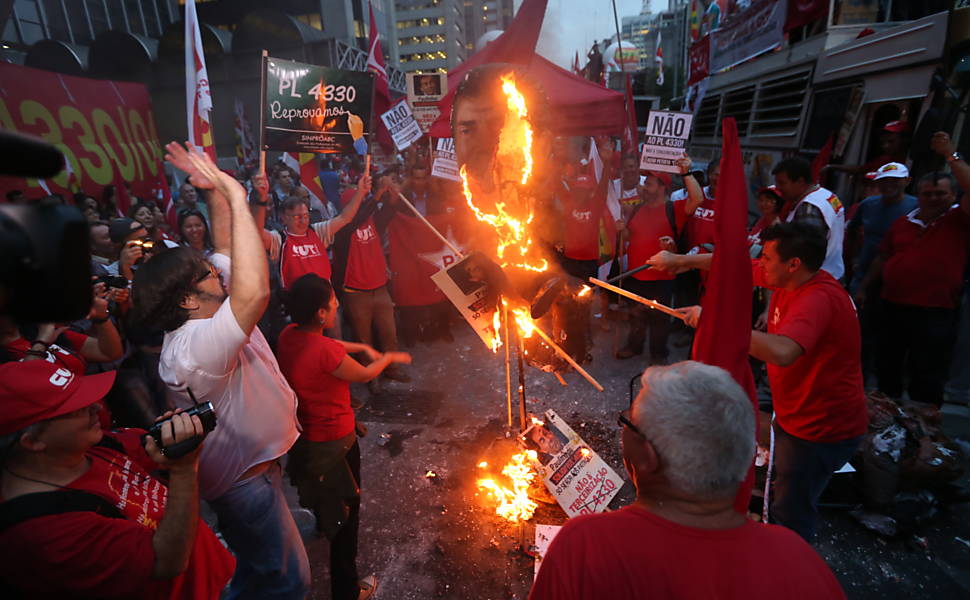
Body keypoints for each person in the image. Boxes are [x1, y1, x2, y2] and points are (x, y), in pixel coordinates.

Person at [132, 142, 310, 598]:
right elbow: (256, 294)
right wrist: (234, 191)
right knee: (289, 582)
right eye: (206, 272)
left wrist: (212, 191)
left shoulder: (208, 308)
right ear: (187, 299)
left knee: (257, 564)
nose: (217, 269)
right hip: (244, 484)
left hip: (258, 467)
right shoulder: (191, 349)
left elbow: (228, 245)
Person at [530, 361, 846, 600]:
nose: (622, 430)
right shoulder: (798, 560)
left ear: (649, 456)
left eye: (628, 421)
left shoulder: (586, 547)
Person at [679, 222, 867, 541]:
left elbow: (783, 351)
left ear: (793, 263)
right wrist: (680, 260)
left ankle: (787, 560)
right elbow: (735, 265)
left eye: (766, 257)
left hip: (820, 427)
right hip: (795, 412)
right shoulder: (790, 277)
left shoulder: (818, 299)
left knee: (791, 510)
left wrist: (715, 324)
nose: (761, 263)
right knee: (783, 493)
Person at [0, 360, 235, 598]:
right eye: (76, 409)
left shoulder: (88, 447)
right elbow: (166, 561)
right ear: (33, 441)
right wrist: (184, 470)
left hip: (207, 577)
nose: (96, 408)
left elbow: (146, 447)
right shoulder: (48, 533)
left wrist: (173, 437)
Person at [276, 273, 411, 600]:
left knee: (323, 496)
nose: (337, 305)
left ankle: (323, 522)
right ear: (321, 313)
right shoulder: (325, 353)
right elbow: (363, 373)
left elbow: (329, 345)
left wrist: (361, 346)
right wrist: (386, 357)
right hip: (335, 444)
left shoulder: (288, 335)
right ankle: (347, 591)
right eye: (333, 303)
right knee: (346, 520)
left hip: (305, 437)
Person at [857, 136, 970, 407]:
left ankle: (925, 423)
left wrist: (951, 155)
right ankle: (888, 417)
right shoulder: (903, 222)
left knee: (927, 372)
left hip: (935, 310)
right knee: (887, 366)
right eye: (927, 194)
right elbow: (883, 257)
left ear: (953, 196)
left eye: (940, 194)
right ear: (918, 196)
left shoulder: (959, 220)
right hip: (893, 305)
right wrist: (864, 287)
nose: (933, 198)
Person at [616, 158, 702, 362]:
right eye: (645, 183)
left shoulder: (674, 209)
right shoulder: (638, 208)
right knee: (635, 314)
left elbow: (697, 199)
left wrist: (686, 172)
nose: (644, 186)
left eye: (649, 184)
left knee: (659, 318)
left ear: (662, 187)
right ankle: (634, 346)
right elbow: (630, 237)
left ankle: (658, 354)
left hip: (661, 277)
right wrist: (622, 230)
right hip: (635, 274)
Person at [846, 162, 917, 295]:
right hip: (864, 269)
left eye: (894, 180)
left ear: (907, 181)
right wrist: (855, 258)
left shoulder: (916, 206)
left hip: (897, 276)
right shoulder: (867, 205)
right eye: (884, 181)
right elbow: (852, 230)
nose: (888, 185)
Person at [772, 156, 846, 280]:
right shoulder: (827, 195)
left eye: (782, 183)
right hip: (833, 271)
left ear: (800, 181)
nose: (778, 188)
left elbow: (806, 249)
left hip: (817, 278)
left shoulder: (809, 207)